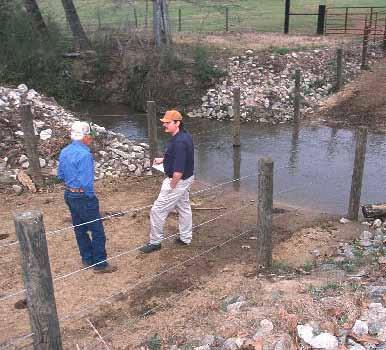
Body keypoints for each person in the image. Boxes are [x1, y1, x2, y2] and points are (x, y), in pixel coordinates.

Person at [57, 121, 117, 273]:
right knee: (97, 231)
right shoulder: (85, 155)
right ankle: (100, 264)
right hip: (83, 197)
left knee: (80, 229)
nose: (91, 138)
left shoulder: (65, 151)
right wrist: (90, 197)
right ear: (83, 136)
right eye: (89, 135)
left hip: (69, 194)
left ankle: (87, 258)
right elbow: (86, 182)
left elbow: (60, 175)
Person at [140, 110, 195, 254]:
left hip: (178, 180)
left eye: (167, 122)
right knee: (183, 207)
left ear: (177, 123)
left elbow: (179, 170)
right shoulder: (184, 136)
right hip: (187, 178)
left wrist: (171, 185)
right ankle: (185, 238)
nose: (164, 125)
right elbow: (180, 157)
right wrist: (164, 159)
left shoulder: (180, 142)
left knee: (157, 210)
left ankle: (155, 242)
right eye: (164, 122)